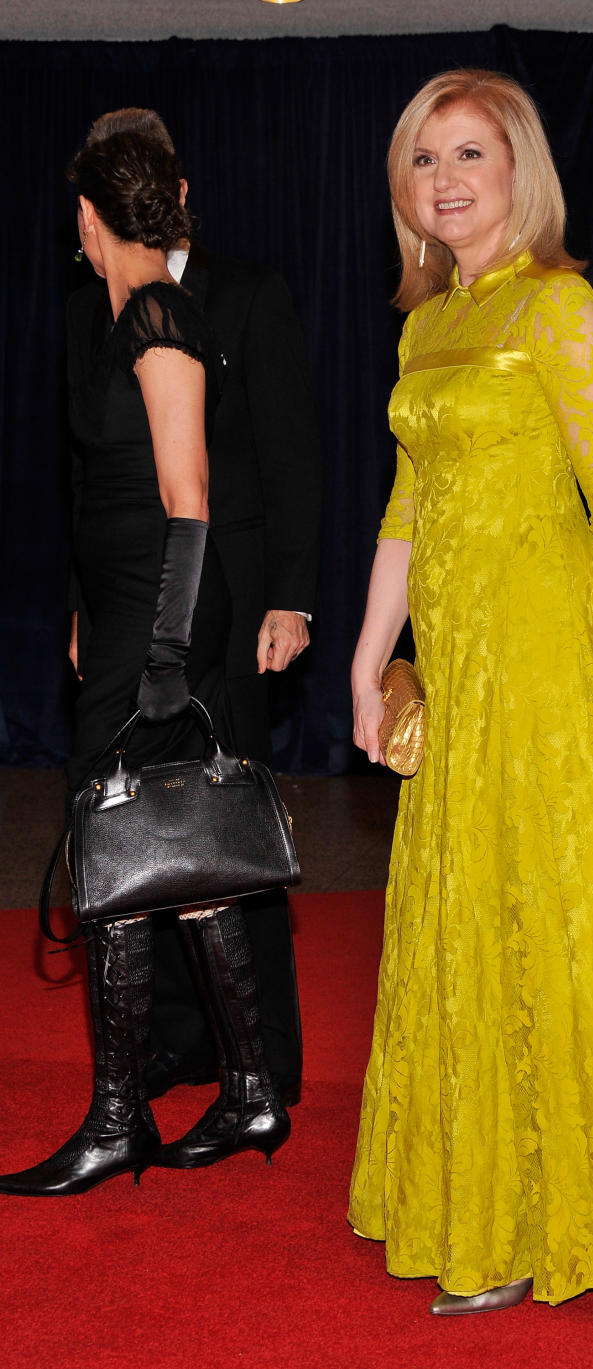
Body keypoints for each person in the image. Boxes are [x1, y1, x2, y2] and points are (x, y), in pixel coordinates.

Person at [348, 68, 593, 1315]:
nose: (444, 180)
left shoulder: (563, 307)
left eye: (469, 155)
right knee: (460, 919)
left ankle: (537, 1216)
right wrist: (367, 654)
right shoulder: (423, 324)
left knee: (539, 920)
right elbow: (409, 507)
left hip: (550, 660)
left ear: (520, 173)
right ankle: (473, 1195)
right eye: (424, 159)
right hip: (456, 672)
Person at [0, 130, 289, 1195]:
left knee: (110, 838)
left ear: (87, 218)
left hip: (163, 616)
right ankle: (252, 1084)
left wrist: (163, 652)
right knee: (175, 836)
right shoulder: (133, 316)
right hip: (129, 608)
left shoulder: (162, 318)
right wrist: (98, 609)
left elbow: (190, 496)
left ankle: (121, 1119)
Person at [67, 108, 323, 1107]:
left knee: (221, 827)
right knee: (147, 834)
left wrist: (291, 599)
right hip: (139, 598)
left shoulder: (239, 297)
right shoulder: (101, 309)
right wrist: (86, 601)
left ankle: (262, 1062)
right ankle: (177, 1044)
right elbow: (91, 485)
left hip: (225, 598)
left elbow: (286, 457)